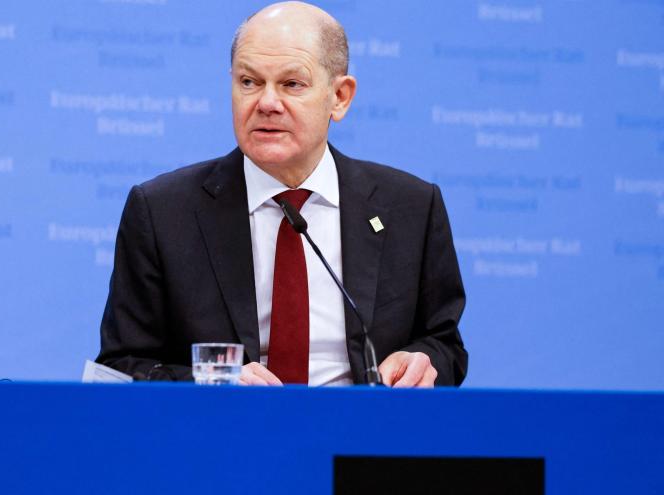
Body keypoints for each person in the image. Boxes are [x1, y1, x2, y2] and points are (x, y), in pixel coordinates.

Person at [96, 1, 466, 387]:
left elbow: (445, 345)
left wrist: (423, 361)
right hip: (224, 438)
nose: (267, 103)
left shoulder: (411, 208)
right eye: (249, 82)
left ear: (340, 96)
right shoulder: (162, 212)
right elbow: (121, 366)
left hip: (360, 436)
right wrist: (214, 382)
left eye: (291, 84)